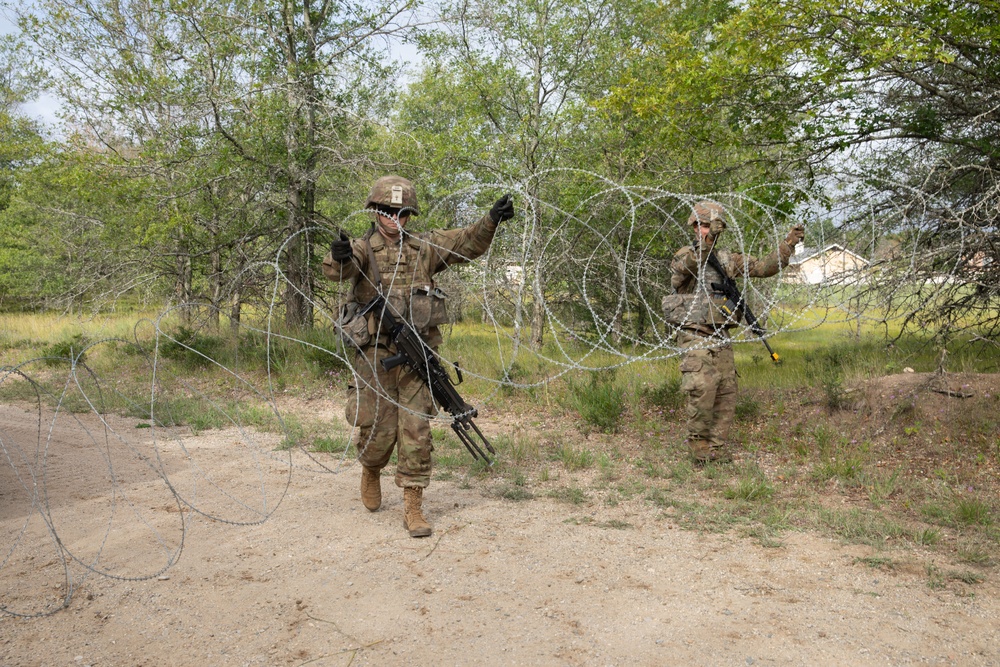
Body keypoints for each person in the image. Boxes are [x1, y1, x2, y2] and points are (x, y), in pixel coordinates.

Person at [322, 176, 514, 537]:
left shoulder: (424, 247)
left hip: (418, 353)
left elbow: (464, 242)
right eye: (388, 211)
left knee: (416, 428)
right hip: (376, 355)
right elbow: (340, 268)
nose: (395, 218)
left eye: (402, 212)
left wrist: (491, 220)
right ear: (376, 212)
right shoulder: (364, 248)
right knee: (378, 428)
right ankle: (371, 468)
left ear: (409, 214)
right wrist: (339, 255)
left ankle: (413, 504)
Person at [665, 201, 804, 465]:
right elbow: (691, 263)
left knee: (726, 394)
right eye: (703, 226)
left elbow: (764, 267)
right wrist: (710, 240)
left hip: (720, 336)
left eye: (711, 226)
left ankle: (715, 451)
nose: (706, 230)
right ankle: (699, 453)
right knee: (702, 391)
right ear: (694, 227)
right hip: (695, 335)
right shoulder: (684, 255)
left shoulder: (728, 260)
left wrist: (788, 245)